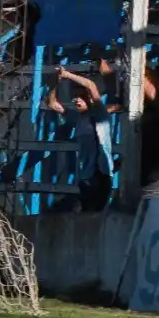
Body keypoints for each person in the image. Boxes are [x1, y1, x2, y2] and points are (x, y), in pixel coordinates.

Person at [44, 66, 113, 212]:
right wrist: (54, 84)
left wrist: (67, 74)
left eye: (80, 97)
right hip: (86, 176)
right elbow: (53, 104)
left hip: (100, 174)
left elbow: (91, 86)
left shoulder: (99, 113)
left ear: (88, 98)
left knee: (91, 211)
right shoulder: (78, 118)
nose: (76, 100)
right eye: (74, 97)